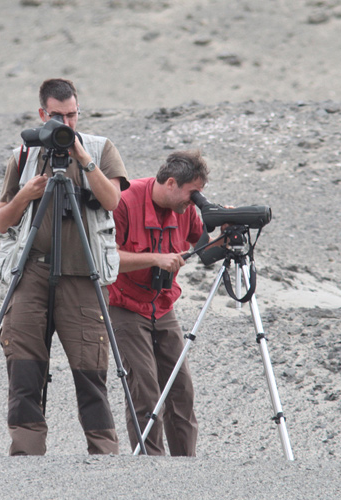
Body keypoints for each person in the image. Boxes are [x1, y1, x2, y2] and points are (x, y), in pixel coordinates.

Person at [0, 78, 130, 456]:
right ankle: (27, 455)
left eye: (72, 115)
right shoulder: (23, 155)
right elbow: (2, 221)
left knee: (91, 372)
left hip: (82, 275)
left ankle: (104, 458)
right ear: (42, 114)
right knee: (23, 371)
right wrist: (26, 194)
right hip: (32, 273)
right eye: (58, 116)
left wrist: (83, 158)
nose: (66, 124)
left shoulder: (100, 149)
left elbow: (112, 201)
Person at [108, 150, 218, 456]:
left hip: (163, 306)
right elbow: (107, 259)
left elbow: (204, 248)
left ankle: (185, 468)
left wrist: (226, 226)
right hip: (125, 306)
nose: (194, 201)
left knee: (181, 390)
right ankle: (151, 470)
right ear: (171, 183)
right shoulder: (125, 201)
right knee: (145, 391)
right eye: (192, 193)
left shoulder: (185, 210)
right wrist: (156, 258)